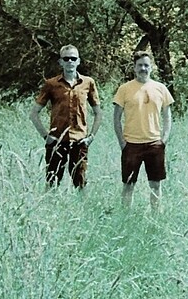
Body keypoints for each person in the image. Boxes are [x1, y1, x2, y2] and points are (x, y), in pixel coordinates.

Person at [29, 45, 102, 188]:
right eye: (66, 59)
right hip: (57, 141)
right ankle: (50, 209)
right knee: (52, 182)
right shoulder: (51, 84)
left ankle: (82, 209)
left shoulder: (88, 83)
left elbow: (98, 113)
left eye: (73, 58)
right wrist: (46, 136)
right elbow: (34, 114)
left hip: (80, 141)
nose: (70, 61)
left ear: (78, 61)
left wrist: (90, 137)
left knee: (80, 183)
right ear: (60, 62)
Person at [113, 50, 174, 211]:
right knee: (128, 185)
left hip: (154, 143)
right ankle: (125, 218)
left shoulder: (160, 88)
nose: (143, 68)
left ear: (151, 67)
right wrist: (122, 142)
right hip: (131, 144)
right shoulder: (124, 89)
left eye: (146, 65)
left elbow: (168, 116)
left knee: (155, 185)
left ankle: (156, 217)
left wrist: (164, 140)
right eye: (140, 65)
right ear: (134, 68)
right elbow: (116, 118)